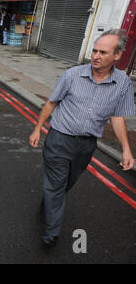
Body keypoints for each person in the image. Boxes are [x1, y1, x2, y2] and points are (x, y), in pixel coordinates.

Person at [29, 29, 135, 247]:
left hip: (86, 145)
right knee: (57, 183)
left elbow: (117, 117)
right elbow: (51, 103)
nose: (96, 55)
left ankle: (49, 199)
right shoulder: (72, 75)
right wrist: (38, 128)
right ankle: (52, 233)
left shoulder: (123, 83)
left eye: (103, 52)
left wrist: (126, 149)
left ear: (117, 55)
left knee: (66, 183)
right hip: (59, 138)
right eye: (94, 50)